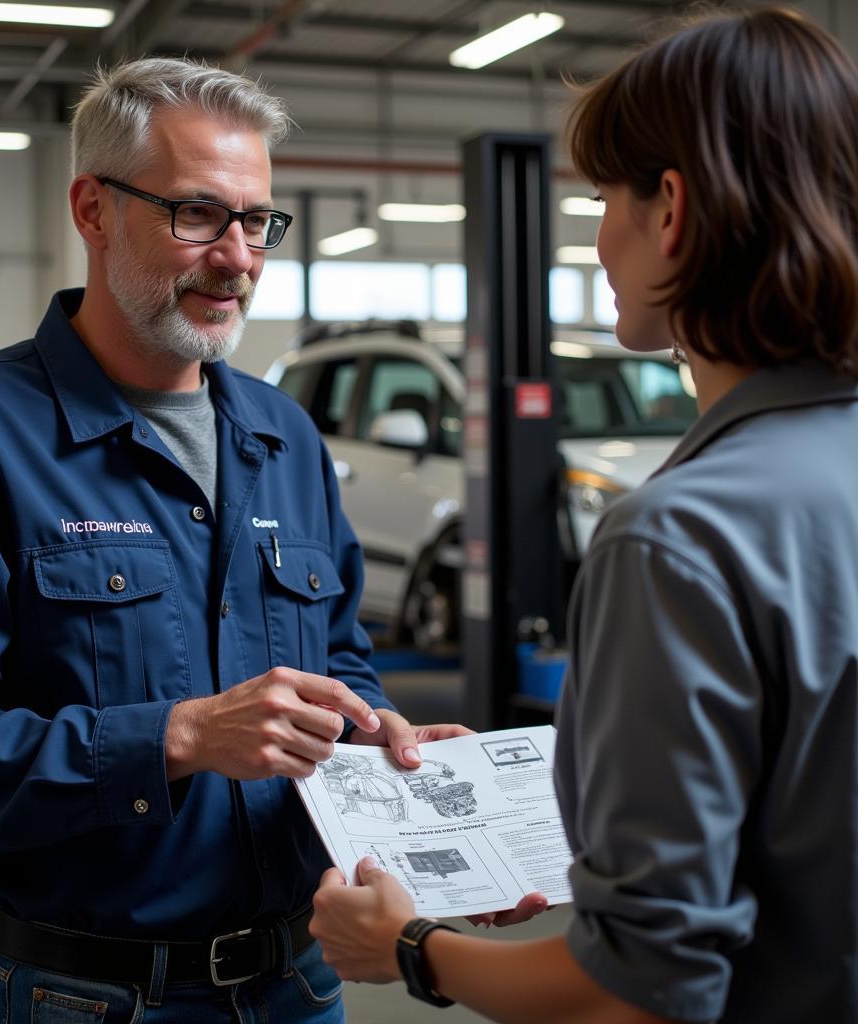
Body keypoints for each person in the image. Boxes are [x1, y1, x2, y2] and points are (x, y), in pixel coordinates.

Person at [0, 57, 477, 1023]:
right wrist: (177, 737)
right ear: (92, 210)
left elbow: (340, 661)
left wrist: (381, 740)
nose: (238, 258)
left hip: (303, 985)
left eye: (256, 221)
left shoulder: (285, 435)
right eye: (197, 215)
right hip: (86, 998)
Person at [309, 7, 858, 1023]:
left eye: (604, 195)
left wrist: (406, 946)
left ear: (672, 211)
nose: (599, 237)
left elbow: (641, 995)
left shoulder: (675, 536)